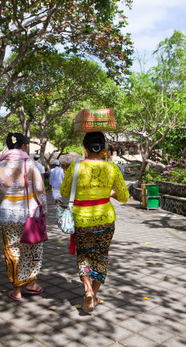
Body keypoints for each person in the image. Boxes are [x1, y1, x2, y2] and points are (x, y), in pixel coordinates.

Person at [60, 132, 129, 313]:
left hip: (81, 220)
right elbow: (124, 197)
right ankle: (94, 295)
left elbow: (64, 192)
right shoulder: (112, 168)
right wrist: (110, 193)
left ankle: (88, 290)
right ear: (104, 148)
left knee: (84, 254)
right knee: (101, 256)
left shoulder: (75, 167)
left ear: (85, 147)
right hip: (105, 220)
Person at [0, 133, 47, 301]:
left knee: (12, 250)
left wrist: (4, 191)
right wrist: (44, 208)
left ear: (7, 146)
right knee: (32, 248)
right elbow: (40, 190)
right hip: (30, 213)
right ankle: (31, 284)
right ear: (23, 146)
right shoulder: (30, 164)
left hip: (9, 214)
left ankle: (16, 290)